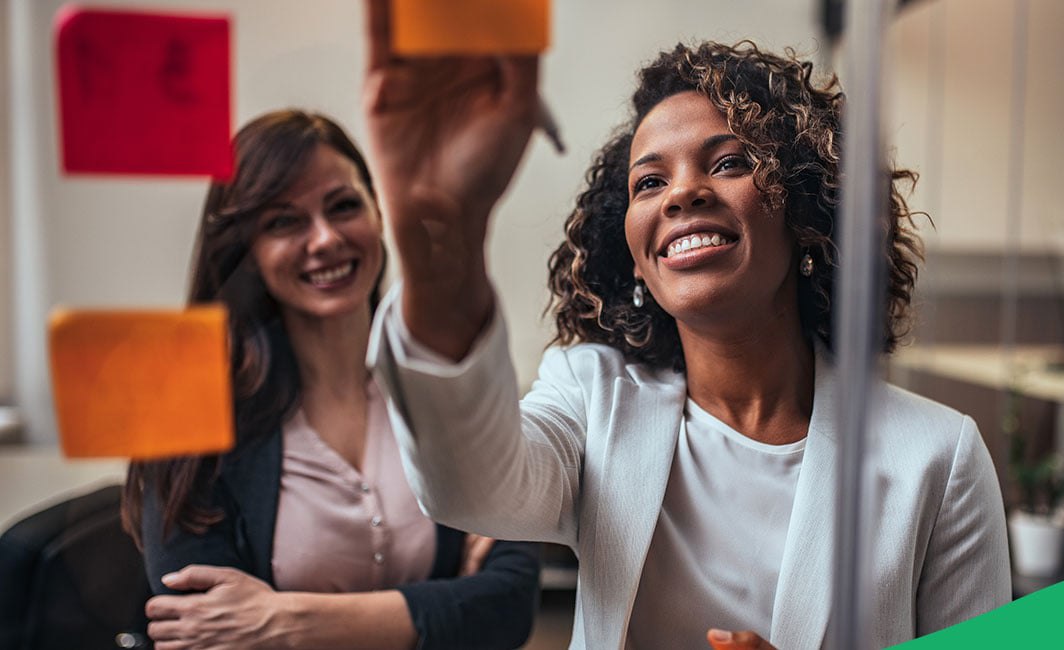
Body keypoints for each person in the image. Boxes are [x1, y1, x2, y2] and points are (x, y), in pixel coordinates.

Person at [361, 3, 1011, 647]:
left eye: (727, 163)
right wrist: (443, 232)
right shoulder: (592, 397)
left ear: (806, 212)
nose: (681, 193)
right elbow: (468, 489)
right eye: (649, 182)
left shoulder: (938, 457)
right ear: (637, 262)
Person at [121, 110, 540, 650]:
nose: (324, 240)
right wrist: (439, 606)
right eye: (283, 222)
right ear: (245, 251)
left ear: (377, 213)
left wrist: (282, 621)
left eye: (343, 207)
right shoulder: (183, 414)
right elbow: (203, 633)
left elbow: (507, 605)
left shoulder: (443, 384)